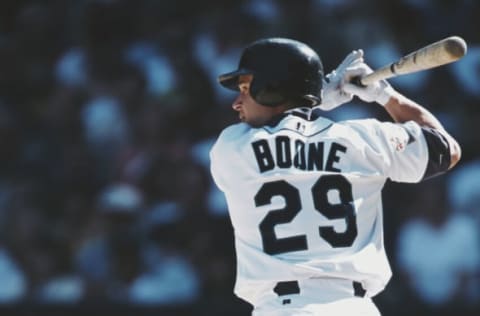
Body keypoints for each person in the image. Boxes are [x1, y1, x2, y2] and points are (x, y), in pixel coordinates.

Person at [209, 37, 461, 316]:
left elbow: (287, 133)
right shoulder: (365, 138)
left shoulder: (232, 147)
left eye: (245, 89)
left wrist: (322, 96)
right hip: (354, 307)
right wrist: (383, 95)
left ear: (271, 89)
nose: (236, 102)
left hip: (281, 308)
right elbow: (446, 149)